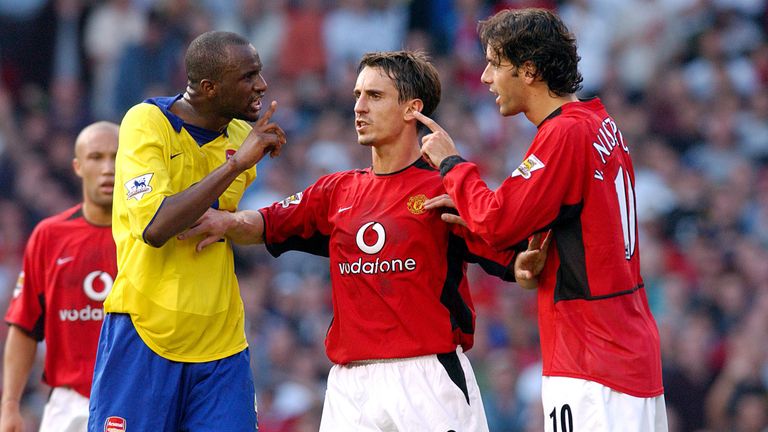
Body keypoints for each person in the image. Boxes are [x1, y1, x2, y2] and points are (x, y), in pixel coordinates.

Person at [180, 50, 549, 431]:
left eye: (374, 96)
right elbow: (264, 224)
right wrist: (223, 220)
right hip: (350, 386)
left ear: (412, 108)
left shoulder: (444, 188)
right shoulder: (336, 191)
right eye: (357, 95)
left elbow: (515, 263)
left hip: (428, 378)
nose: (358, 107)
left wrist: (524, 268)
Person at [417, 8, 667, 432]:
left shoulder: (565, 134)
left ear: (528, 70)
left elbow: (499, 221)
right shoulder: (598, 121)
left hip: (592, 363)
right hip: (627, 355)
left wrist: (452, 165)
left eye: (495, 63)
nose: (484, 77)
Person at [87, 31, 285, 432]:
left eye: (259, 73)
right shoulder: (146, 123)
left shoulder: (242, 139)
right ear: (209, 88)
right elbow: (157, 227)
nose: (261, 85)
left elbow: (216, 221)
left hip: (221, 343)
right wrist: (233, 166)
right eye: (248, 76)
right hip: (145, 332)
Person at [1, 121, 119, 432]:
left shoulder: (151, 235)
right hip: (67, 405)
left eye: (117, 156)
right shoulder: (49, 236)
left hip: (132, 399)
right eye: (96, 157)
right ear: (78, 167)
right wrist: (10, 405)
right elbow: (24, 326)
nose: (108, 168)